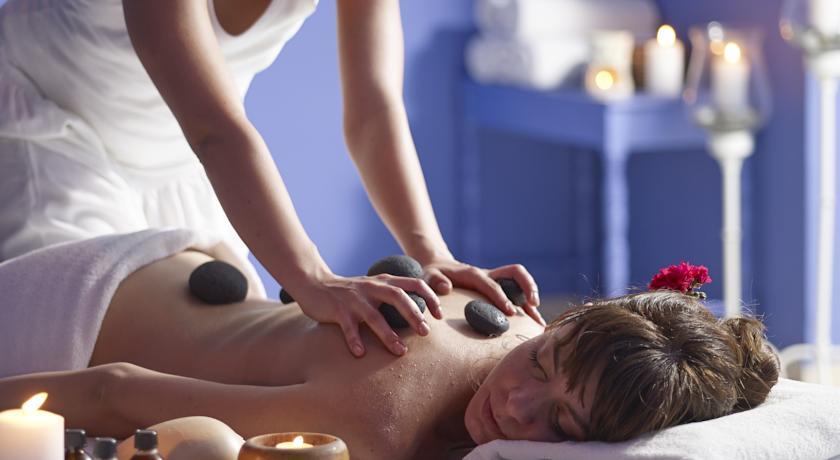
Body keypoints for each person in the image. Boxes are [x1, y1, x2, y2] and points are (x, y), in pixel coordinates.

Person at [0, 0, 543, 358]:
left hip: (179, 162)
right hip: (49, 138)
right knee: (73, 352)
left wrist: (431, 253)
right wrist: (311, 277)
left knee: (212, 357)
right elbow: (215, 129)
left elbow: (375, 110)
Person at [0, 247, 780, 459]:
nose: (517, 404)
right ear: (558, 323)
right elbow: (113, 391)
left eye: (562, 425)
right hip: (74, 311)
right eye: (541, 362)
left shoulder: (515, 327)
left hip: (191, 270)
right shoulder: (373, 425)